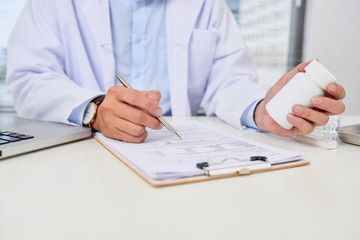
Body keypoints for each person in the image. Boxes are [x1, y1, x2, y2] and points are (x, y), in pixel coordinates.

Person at [6, 0, 345, 143]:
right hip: (84, 152)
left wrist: (262, 110)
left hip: (181, 153)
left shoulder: (206, 4)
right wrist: (93, 109)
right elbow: (28, 77)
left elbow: (228, 81)